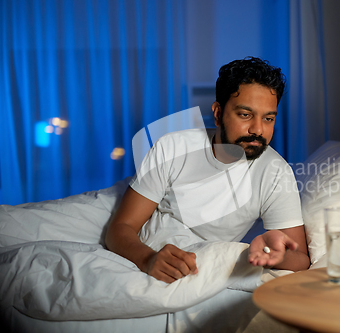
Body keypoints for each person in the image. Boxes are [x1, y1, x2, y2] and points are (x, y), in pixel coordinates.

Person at [106, 57, 310, 284]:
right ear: (217, 113)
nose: (258, 129)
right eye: (245, 115)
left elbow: (301, 259)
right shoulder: (172, 147)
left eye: (268, 118)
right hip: (146, 249)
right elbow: (120, 228)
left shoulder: (275, 172)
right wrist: (148, 260)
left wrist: (275, 255)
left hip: (200, 263)